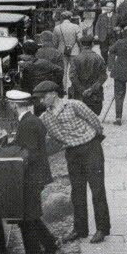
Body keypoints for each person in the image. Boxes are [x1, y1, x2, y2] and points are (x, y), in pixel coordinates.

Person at [34, 81, 110, 244]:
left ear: (54, 94)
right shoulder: (45, 117)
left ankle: (102, 229)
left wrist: (96, 138)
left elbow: (95, 121)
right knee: (77, 191)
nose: (41, 101)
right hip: (72, 153)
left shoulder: (74, 105)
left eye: (43, 97)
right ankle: (80, 229)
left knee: (97, 189)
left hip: (91, 147)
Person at [5, 90, 59, 254]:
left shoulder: (27, 124)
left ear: (14, 105)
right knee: (31, 215)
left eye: (9, 104)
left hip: (31, 176)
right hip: (36, 174)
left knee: (26, 217)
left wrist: (6, 156)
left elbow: (28, 153)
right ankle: (50, 244)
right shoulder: (31, 120)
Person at [68, 35, 107, 115]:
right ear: (92, 44)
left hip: (79, 96)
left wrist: (82, 90)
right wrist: (92, 89)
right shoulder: (98, 58)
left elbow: (72, 76)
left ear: (81, 44)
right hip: (95, 96)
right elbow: (103, 76)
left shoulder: (76, 59)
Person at [51, 11, 82, 92]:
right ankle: (74, 88)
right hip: (74, 51)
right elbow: (80, 39)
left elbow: (54, 42)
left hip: (61, 51)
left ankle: (64, 89)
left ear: (62, 18)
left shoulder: (57, 28)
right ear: (70, 18)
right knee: (74, 71)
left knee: (63, 71)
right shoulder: (76, 27)